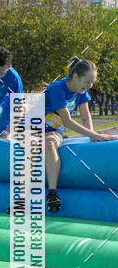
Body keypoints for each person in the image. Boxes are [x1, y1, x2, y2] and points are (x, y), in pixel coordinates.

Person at [44, 58, 117, 212]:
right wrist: (98, 135)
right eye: (88, 81)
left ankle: (52, 193)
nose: (90, 86)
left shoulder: (81, 92)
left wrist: (91, 137)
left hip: (53, 130)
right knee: (39, 147)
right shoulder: (57, 88)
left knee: (50, 143)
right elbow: (67, 121)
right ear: (75, 76)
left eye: (92, 83)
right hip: (32, 127)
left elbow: (85, 116)